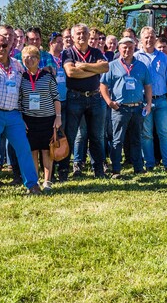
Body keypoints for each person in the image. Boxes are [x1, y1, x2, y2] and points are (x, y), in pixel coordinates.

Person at [0, 35, 41, 193]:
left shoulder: (17, 64)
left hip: (14, 114)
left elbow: (29, 79)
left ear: (9, 46)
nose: (1, 49)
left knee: (23, 148)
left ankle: (32, 184)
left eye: (4, 45)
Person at [61, 23, 110, 178]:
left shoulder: (95, 51)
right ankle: (63, 171)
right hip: (75, 97)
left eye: (84, 33)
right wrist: (94, 69)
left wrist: (83, 66)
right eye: (78, 34)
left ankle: (99, 170)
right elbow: (71, 72)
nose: (81, 36)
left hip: (95, 98)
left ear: (89, 35)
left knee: (97, 136)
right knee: (70, 135)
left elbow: (105, 67)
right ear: (73, 37)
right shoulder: (68, 52)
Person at [101, 37, 152, 177]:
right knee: (117, 140)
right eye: (124, 47)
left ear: (134, 48)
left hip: (137, 108)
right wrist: (109, 102)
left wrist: (148, 104)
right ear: (119, 48)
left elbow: (148, 85)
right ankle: (116, 170)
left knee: (136, 139)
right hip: (120, 109)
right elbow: (103, 85)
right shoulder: (112, 66)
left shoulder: (141, 66)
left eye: (130, 47)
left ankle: (138, 168)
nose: (127, 50)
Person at [136, 26, 167, 171]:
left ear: (155, 39)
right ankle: (149, 164)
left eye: (152, 37)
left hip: (161, 100)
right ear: (141, 39)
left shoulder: (163, 57)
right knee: (146, 134)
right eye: (146, 37)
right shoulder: (136, 58)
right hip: (143, 101)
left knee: (165, 133)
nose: (149, 40)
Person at [19, 45, 62, 190]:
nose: (29, 60)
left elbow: (56, 97)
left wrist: (58, 117)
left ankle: (47, 181)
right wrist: (21, 119)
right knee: (32, 150)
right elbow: (19, 100)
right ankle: (35, 180)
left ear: (38, 59)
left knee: (46, 150)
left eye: (32, 57)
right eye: (25, 57)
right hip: (29, 120)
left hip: (48, 119)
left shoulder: (47, 76)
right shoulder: (21, 77)